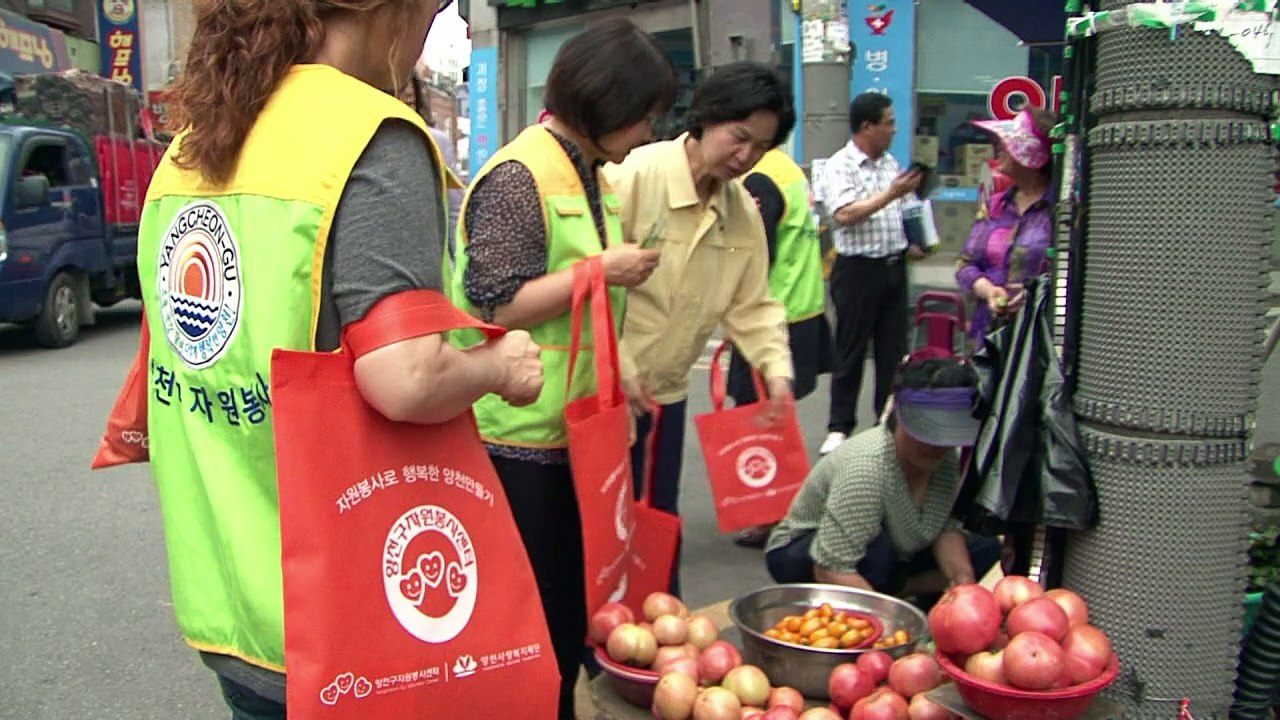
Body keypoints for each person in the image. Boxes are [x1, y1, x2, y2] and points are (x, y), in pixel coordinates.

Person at [139, 1, 543, 717]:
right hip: (335, 613)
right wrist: (499, 368)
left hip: (225, 592)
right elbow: (407, 376)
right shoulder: (366, 135)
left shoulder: (193, 145)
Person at [446, 19, 673, 719]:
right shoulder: (522, 174)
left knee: (574, 608)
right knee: (537, 619)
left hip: (575, 429)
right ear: (604, 103)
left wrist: (620, 370)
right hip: (519, 438)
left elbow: (579, 312)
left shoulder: (589, 169)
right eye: (642, 115)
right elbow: (500, 302)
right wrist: (602, 268)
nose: (645, 131)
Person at [605, 61, 796, 594]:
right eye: (739, 138)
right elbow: (584, 279)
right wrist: (616, 362)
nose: (746, 156)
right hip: (602, 392)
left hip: (664, 395)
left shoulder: (743, 214)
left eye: (760, 147)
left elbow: (753, 304)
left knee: (657, 518)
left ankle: (653, 628)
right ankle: (595, 643)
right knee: (600, 524)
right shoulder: (631, 177)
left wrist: (775, 369)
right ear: (707, 119)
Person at [765, 358, 1000, 599]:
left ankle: (901, 586)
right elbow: (830, 567)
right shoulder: (867, 467)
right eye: (928, 432)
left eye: (946, 435)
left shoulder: (945, 458)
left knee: (986, 549)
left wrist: (963, 580)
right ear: (900, 418)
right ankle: (897, 591)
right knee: (877, 555)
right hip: (807, 552)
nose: (937, 446)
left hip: (900, 548)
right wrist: (894, 621)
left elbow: (945, 527)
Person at [726, 147, 833, 548]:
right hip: (801, 307)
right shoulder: (788, 169)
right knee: (775, 411)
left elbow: (755, 255)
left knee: (758, 412)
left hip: (770, 314)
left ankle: (770, 512)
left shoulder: (760, 180)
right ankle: (784, 507)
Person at [820, 92, 923, 457]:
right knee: (850, 349)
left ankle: (887, 421)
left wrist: (917, 239)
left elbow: (903, 210)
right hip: (857, 269)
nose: (894, 130)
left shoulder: (890, 163)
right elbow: (844, 214)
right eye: (889, 122)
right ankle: (839, 426)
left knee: (892, 351)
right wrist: (891, 194)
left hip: (893, 266)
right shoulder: (840, 166)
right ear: (868, 126)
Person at [955, 108, 1057, 341]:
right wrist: (989, 291)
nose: (999, 148)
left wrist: (1036, 294)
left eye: (1009, 144)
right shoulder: (995, 206)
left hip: (1036, 337)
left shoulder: (1058, 212)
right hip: (988, 335)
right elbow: (965, 265)